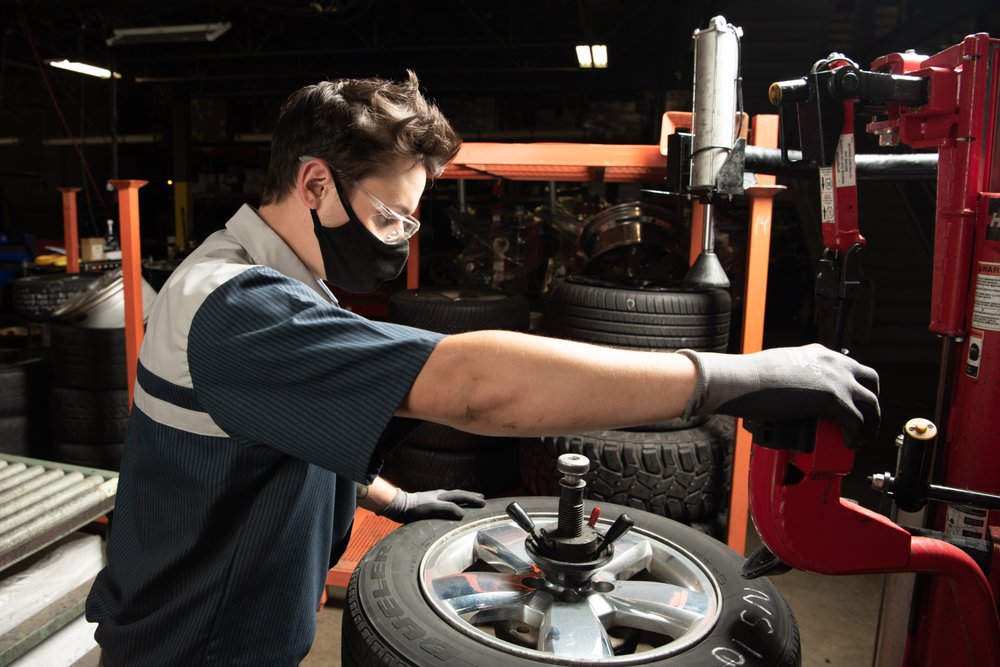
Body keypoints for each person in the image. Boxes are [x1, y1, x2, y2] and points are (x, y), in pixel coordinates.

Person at [85, 71, 879, 665]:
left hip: (238, 627)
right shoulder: (238, 307)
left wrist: (395, 498)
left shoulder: (280, 281)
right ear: (316, 184)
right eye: (390, 215)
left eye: (412, 220)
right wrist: (730, 376)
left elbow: (281, 427)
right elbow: (473, 385)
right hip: (192, 645)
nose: (399, 240)